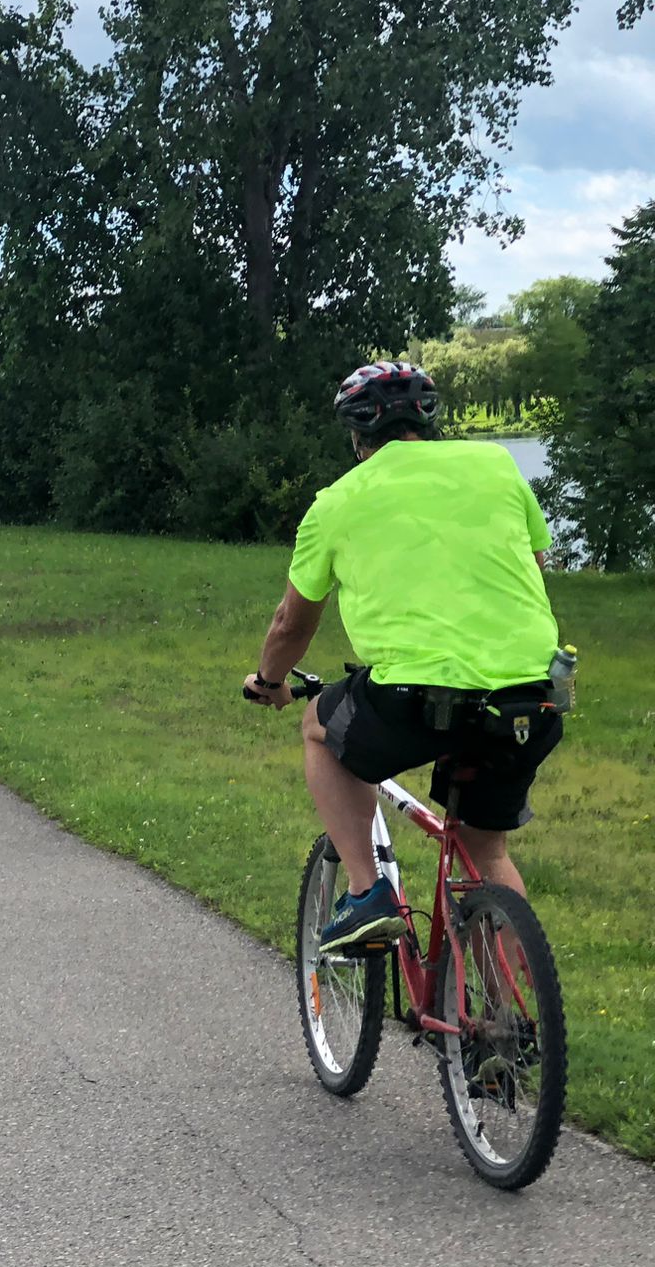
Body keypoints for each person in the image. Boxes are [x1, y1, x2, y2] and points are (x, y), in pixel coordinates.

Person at [242, 360, 565, 952]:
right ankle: (510, 1008)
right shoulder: (496, 465)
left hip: (414, 699)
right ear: (427, 422)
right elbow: (534, 567)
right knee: (486, 851)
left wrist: (268, 681)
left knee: (318, 729)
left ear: (356, 435)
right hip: (530, 695)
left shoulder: (336, 503)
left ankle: (369, 893)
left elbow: (291, 623)